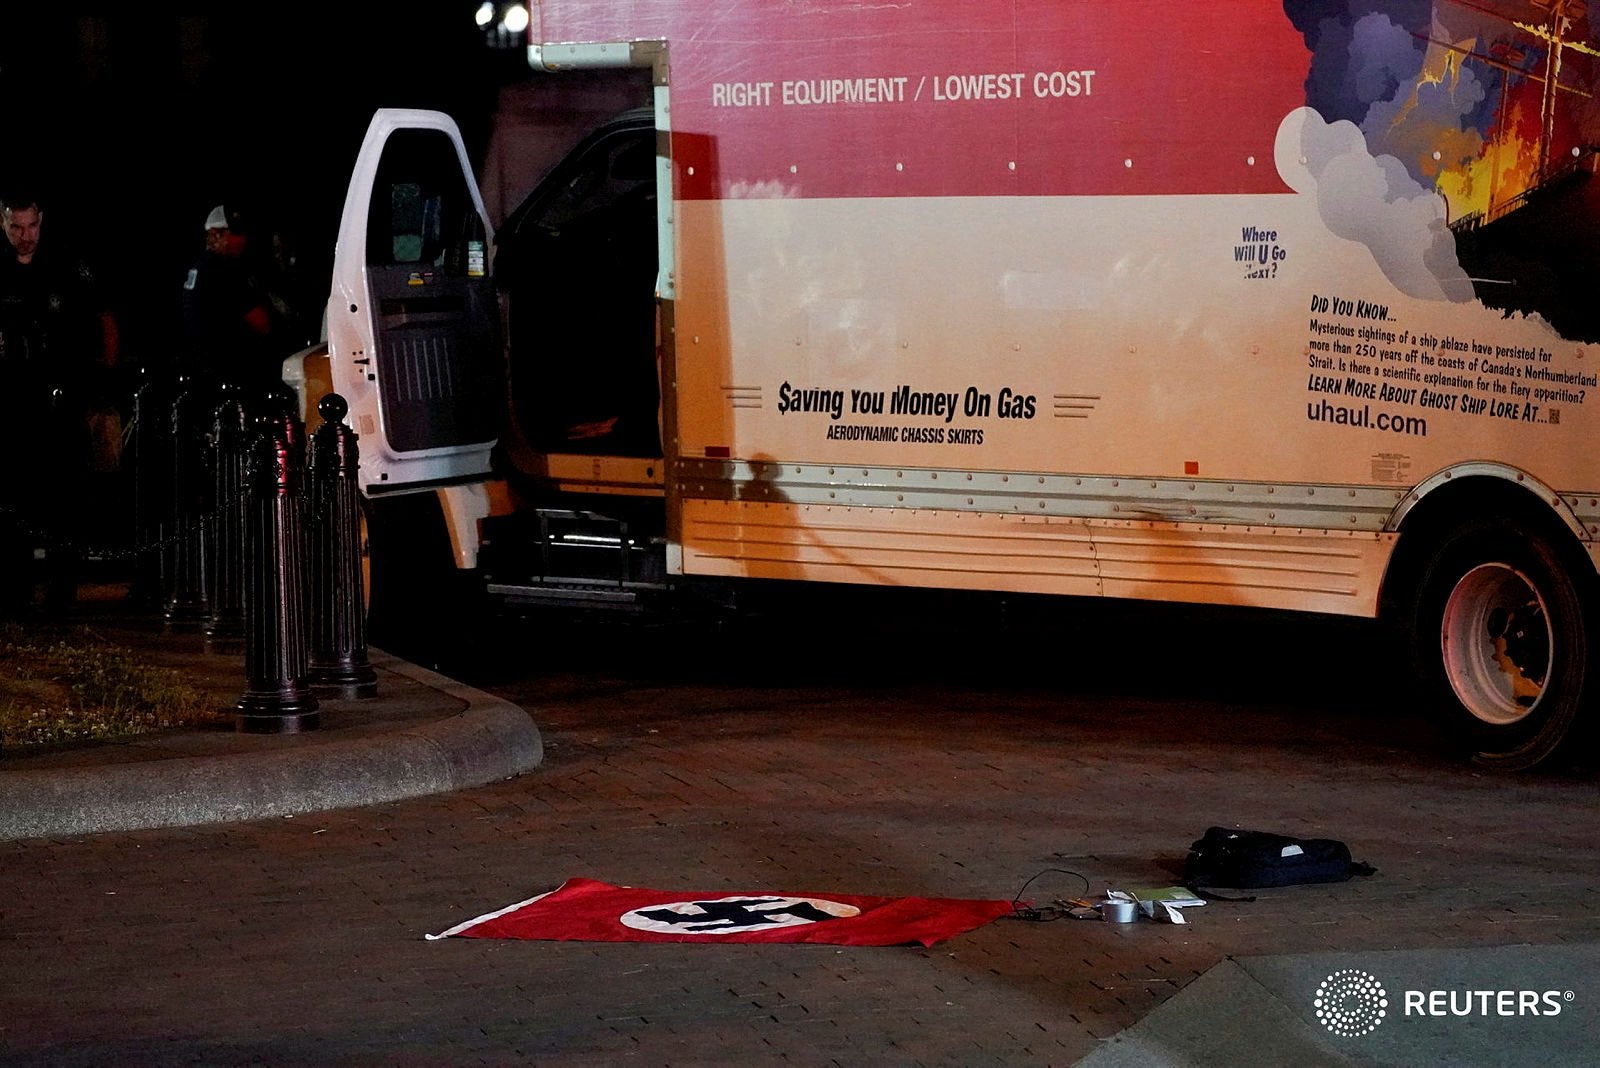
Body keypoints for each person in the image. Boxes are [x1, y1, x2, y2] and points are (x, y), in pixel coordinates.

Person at [0, 190, 122, 616]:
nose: (25, 236)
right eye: (16, 227)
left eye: (31, 226)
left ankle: (62, 591)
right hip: (13, 404)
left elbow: (103, 319)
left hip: (62, 401)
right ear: (3, 224)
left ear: (42, 221)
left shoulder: (66, 267)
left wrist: (101, 384)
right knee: (14, 498)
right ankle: (15, 591)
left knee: (64, 498)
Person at [180, 203, 285, 398]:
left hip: (207, 369)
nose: (241, 240)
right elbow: (261, 322)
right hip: (232, 371)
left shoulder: (199, 266)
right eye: (233, 234)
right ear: (215, 234)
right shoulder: (223, 269)